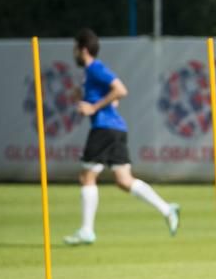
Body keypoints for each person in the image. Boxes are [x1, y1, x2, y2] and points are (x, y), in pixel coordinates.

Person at [63, 28, 180, 245]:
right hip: (116, 128)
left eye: (75, 49)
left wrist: (93, 107)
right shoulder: (89, 75)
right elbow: (114, 99)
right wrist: (86, 97)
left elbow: (120, 90)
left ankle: (87, 230)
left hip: (104, 128)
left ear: (83, 49)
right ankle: (167, 209)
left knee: (87, 177)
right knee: (123, 181)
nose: (74, 54)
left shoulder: (95, 68)